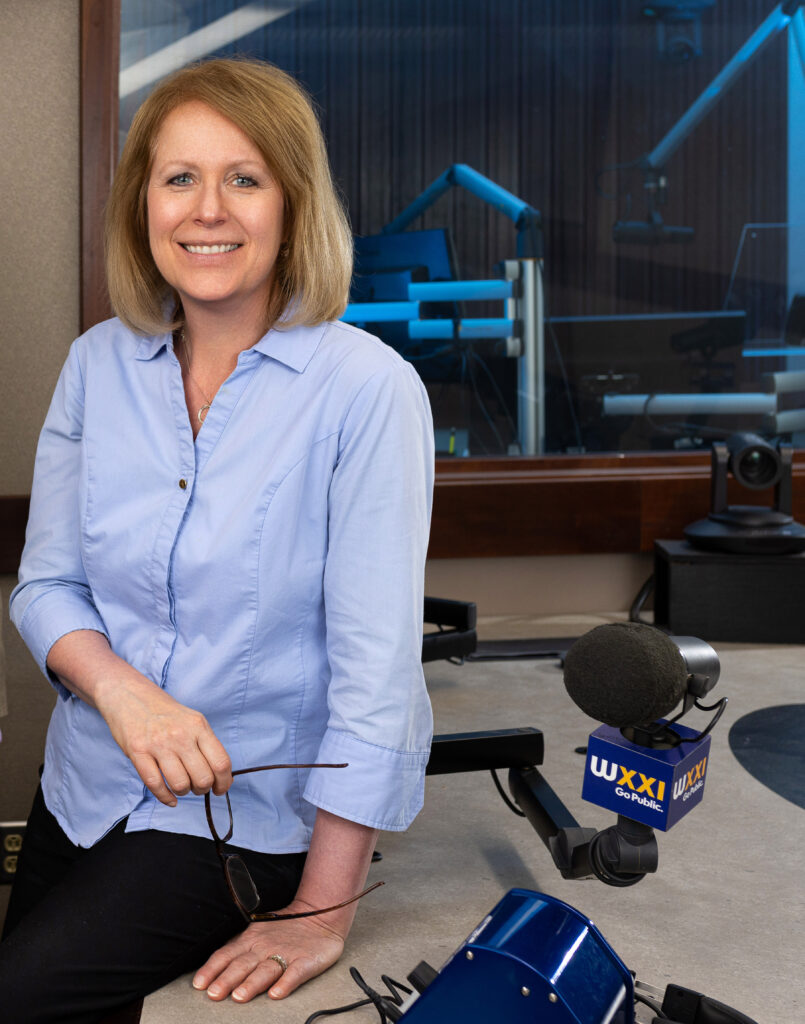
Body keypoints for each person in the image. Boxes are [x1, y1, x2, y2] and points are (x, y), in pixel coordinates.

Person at [0, 57, 434, 1022]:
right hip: (84, 780)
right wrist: (124, 695)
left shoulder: (366, 392)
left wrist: (322, 913)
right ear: (141, 203)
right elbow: (45, 586)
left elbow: (377, 675)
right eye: (178, 178)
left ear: (291, 206)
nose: (208, 210)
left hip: (239, 819)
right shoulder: (96, 364)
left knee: (23, 997)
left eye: (243, 178)